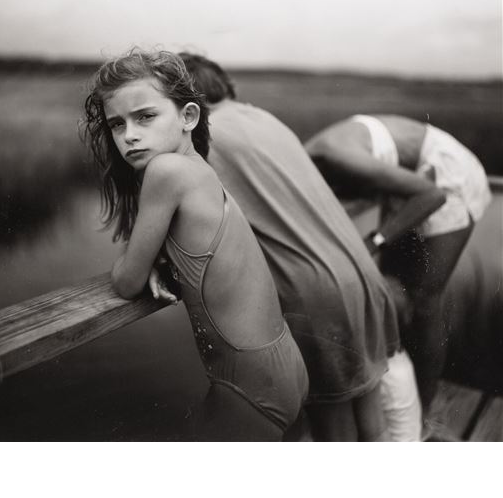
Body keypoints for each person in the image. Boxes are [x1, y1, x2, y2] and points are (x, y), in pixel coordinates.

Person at [82, 49, 308, 441]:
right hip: (279, 364)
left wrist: (141, 261)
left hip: (250, 383)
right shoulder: (199, 169)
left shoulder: (166, 171)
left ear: (188, 116)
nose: (129, 135)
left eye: (146, 116)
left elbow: (125, 283)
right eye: (117, 124)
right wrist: (154, 256)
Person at [179, 53, 402, 441]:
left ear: (186, 103)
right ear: (226, 86)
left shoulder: (201, 137)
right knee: (371, 427)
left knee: (333, 438)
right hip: (362, 275)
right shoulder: (267, 119)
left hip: (313, 292)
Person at [305, 115, 492, 413]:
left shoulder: (335, 154)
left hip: (446, 175)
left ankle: (424, 416)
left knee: (425, 302)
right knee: (388, 291)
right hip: (410, 181)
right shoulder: (307, 161)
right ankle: (393, 400)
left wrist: (375, 240)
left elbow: (432, 195)